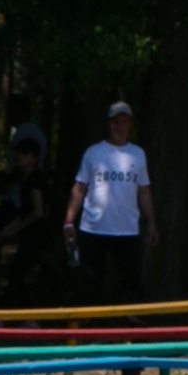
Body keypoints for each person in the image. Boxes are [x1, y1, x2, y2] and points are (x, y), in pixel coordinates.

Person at [64, 103, 155, 306]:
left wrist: (151, 223)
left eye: (123, 122)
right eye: (115, 122)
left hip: (127, 229)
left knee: (132, 281)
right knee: (91, 281)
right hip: (94, 227)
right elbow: (79, 188)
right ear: (108, 124)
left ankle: (133, 328)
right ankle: (94, 330)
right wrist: (69, 220)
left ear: (130, 125)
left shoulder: (138, 154)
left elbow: (144, 190)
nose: (119, 127)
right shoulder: (93, 152)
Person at [0, 135, 54, 305]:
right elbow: (25, 213)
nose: (19, 157)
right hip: (29, 235)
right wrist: (6, 231)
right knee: (16, 274)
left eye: (24, 154)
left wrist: (14, 230)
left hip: (36, 236)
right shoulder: (25, 180)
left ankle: (24, 314)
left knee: (16, 274)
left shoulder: (34, 181)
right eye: (19, 153)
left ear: (33, 158)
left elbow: (37, 212)